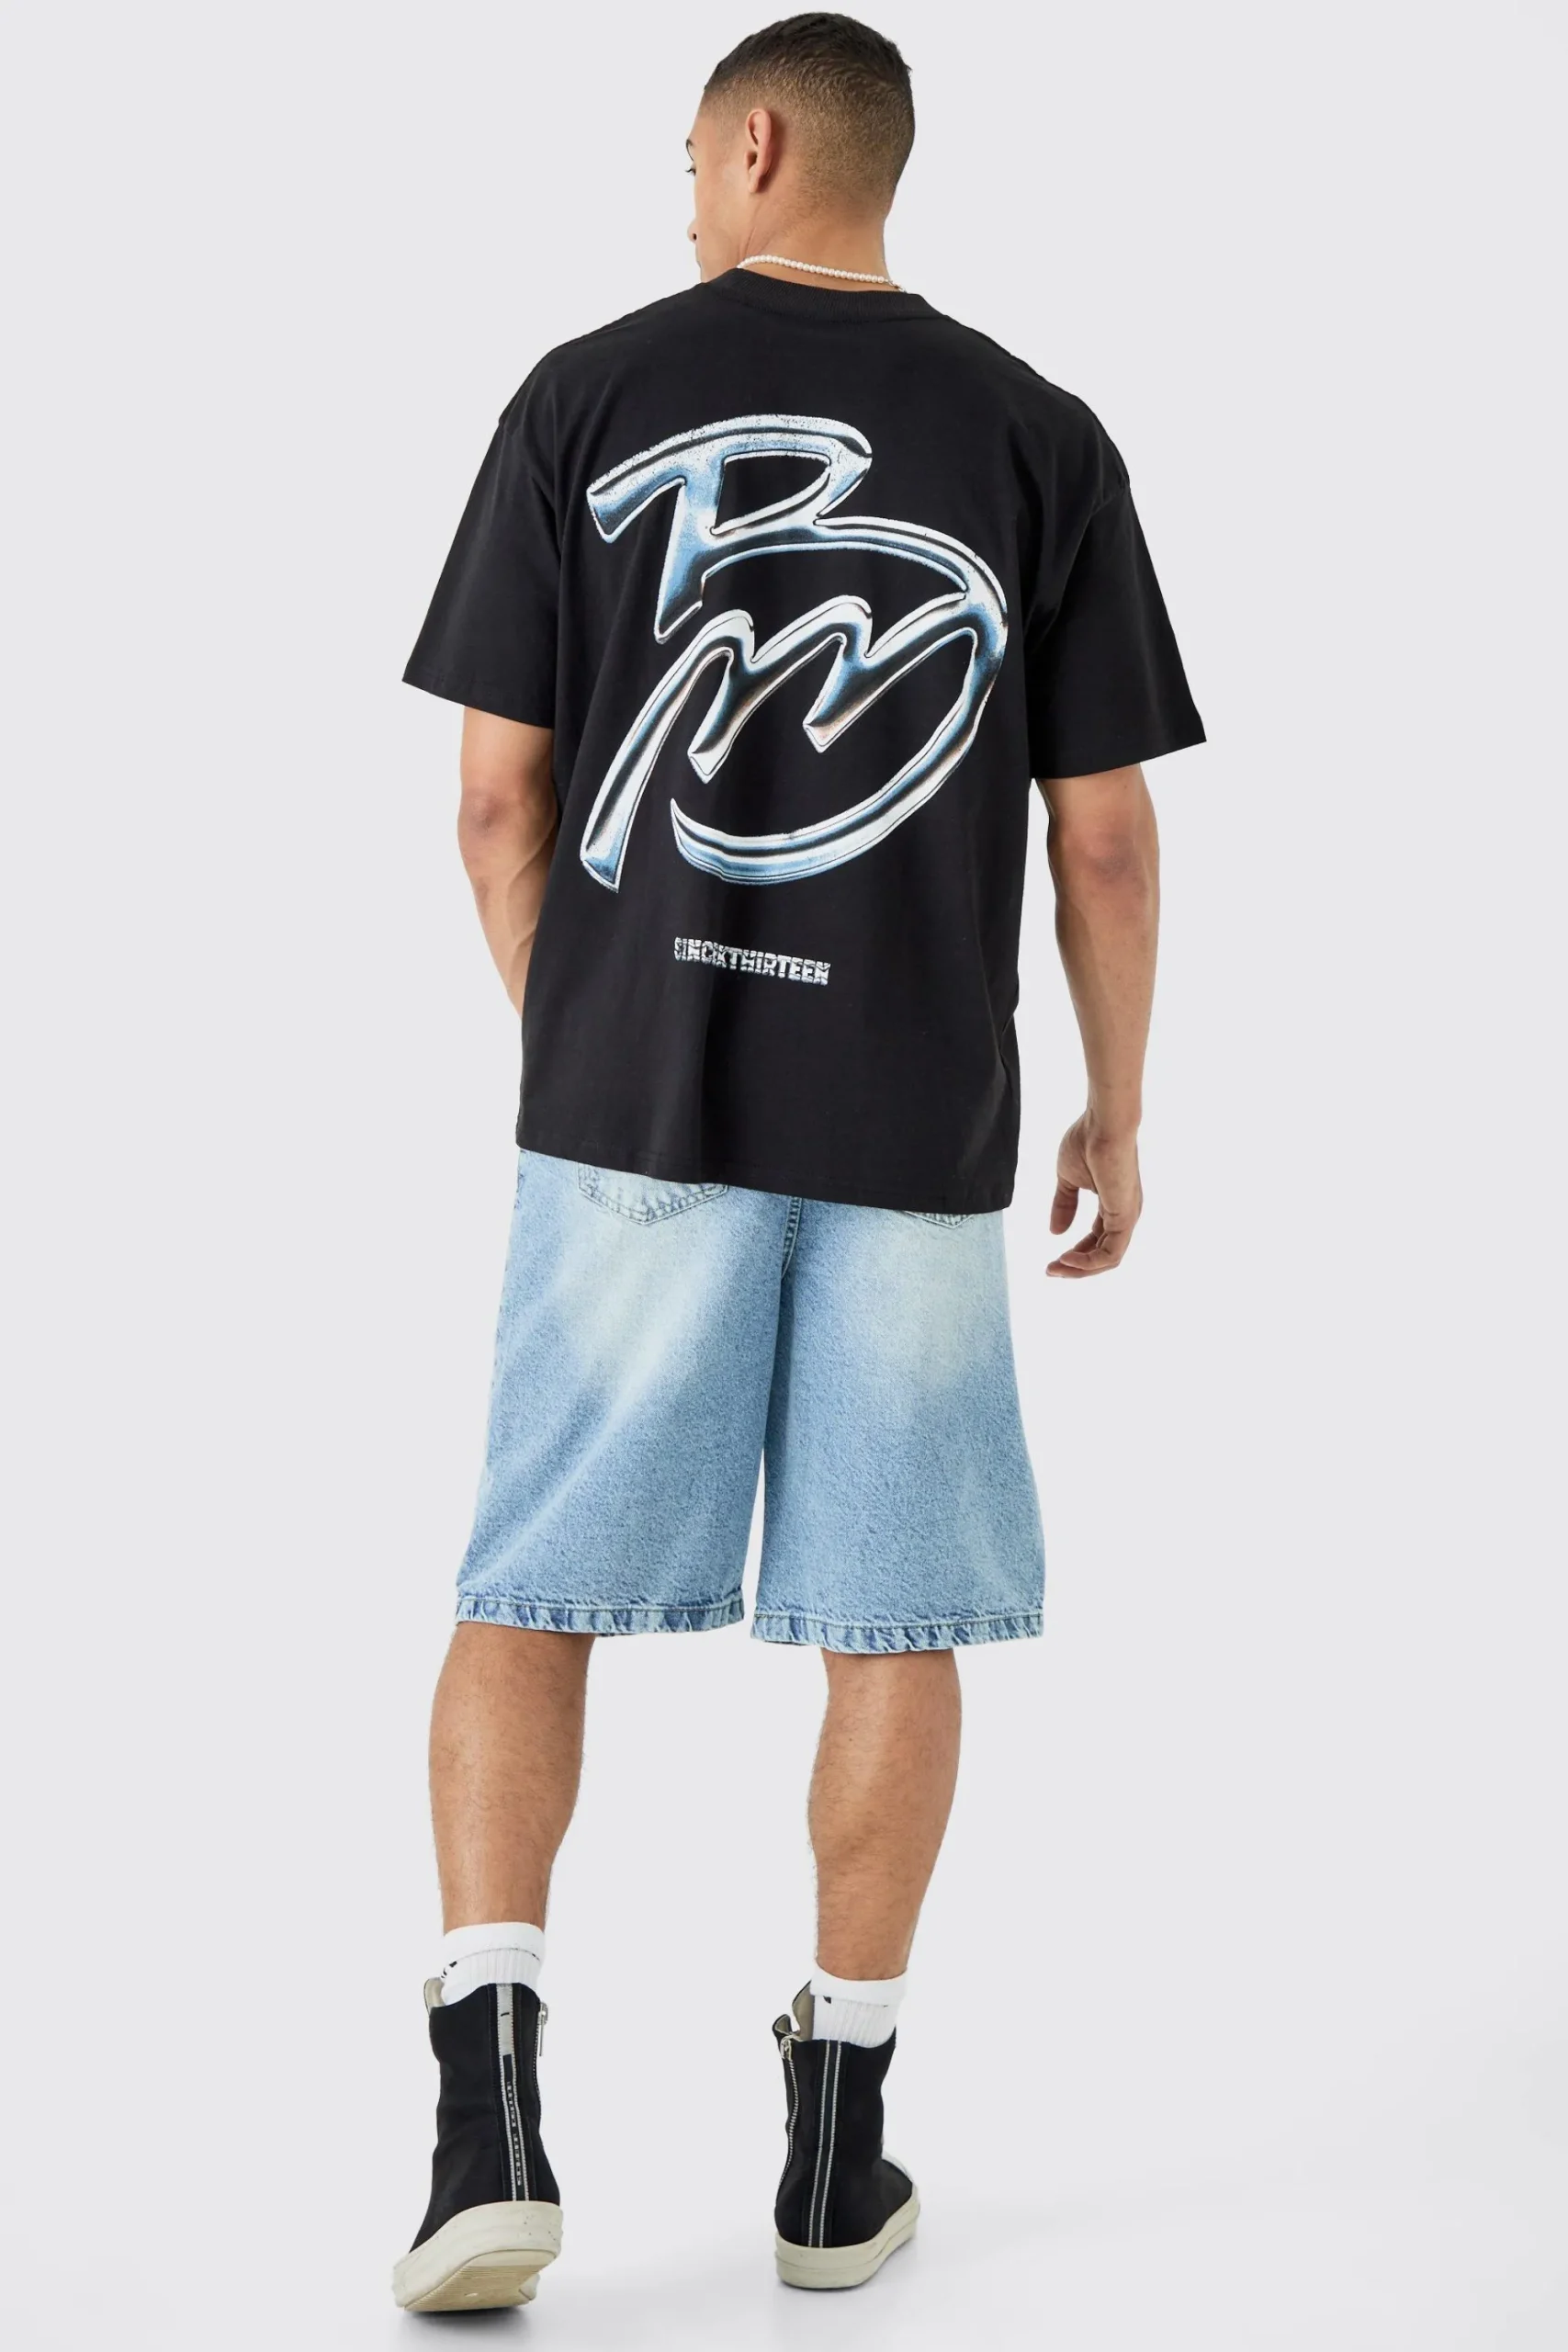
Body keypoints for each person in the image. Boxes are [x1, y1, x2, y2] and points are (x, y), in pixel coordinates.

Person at [391, 9, 1202, 2313]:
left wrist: (592, 1036)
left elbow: (492, 799)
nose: (678, 193)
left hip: (632, 1109)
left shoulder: (582, 393)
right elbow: (1107, 841)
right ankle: (838, 2156)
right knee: (892, 1614)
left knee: (532, 1583)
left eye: (684, 155)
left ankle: (486, 2121)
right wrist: (1114, 1103)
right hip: (916, 1129)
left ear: (756, 143)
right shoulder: (1041, 435)